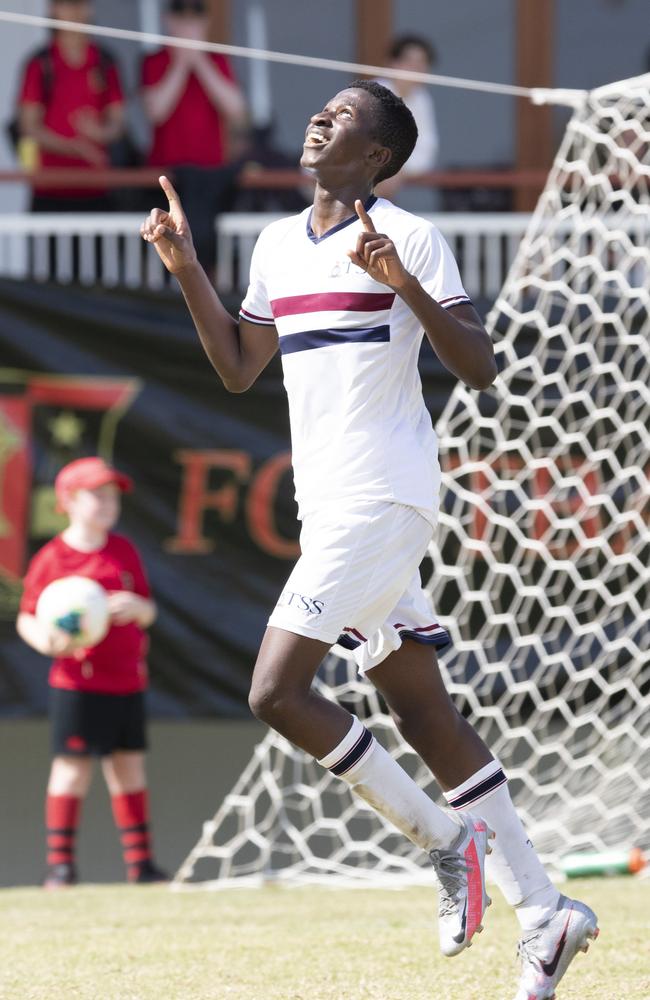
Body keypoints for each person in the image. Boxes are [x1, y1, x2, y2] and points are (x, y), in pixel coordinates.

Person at [140, 80, 598, 997]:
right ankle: (546, 913)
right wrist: (188, 266)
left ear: (377, 158)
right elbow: (237, 369)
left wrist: (406, 287)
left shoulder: (411, 237)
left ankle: (444, 840)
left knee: (276, 690)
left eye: (343, 116)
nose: (320, 119)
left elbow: (479, 365)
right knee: (424, 712)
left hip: (382, 501)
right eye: (324, 109)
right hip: (332, 506)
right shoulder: (275, 243)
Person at [17, 457, 166, 888]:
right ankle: (60, 867)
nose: (106, 504)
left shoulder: (123, 551)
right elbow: (28, 616)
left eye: (112, 496)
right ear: (68, 501)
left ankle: (142, 865)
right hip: (76, 683)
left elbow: (148, 609)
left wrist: (139, 610)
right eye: (95, 495)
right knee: (72, 767)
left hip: (126, 679)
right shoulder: (52, 558)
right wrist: (45, 639)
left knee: (128, 767)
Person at [141, 0, 248, 270]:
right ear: (168, 20)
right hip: (167, 176)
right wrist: (180, 63)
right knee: (165, 244)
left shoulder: (216, 60)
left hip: (210, 178)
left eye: (195, 15)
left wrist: (198, 60)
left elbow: (236, 110)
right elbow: (157, 110)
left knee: (204, 249)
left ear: (205, 22)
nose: (188, 23)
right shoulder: (155, 61)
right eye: (180, 15)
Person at [16, 0, 125, 212]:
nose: (75, 10)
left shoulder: (104, 61)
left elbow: (118, 122)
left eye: (80, 3)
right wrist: (74, 147)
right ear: (53, 9)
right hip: (49, 188)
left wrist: (101, 133)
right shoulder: (40, 63)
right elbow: (29, 126)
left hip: (98, 188)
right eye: (67, 3)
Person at [375, 35, 439, 202]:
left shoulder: (422, 99)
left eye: (422, 64)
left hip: (387, 187)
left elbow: (426, 149)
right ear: (393, 63)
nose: (416, 69)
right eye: (410, 62)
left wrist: (399, 170)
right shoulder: (373, 94)